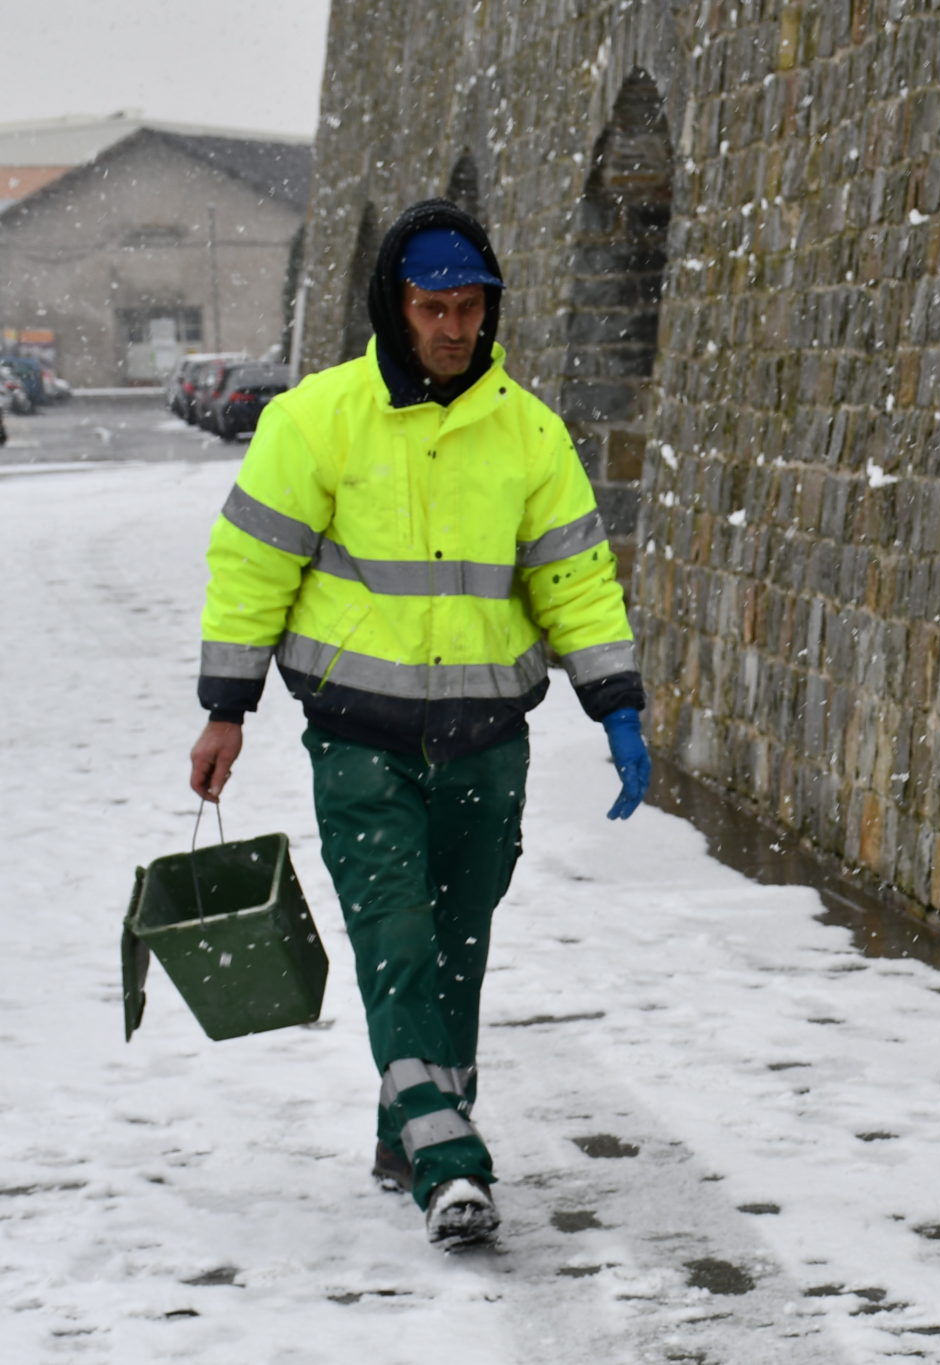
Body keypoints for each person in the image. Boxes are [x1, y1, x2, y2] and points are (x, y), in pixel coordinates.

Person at [187, 199, 652, 1248]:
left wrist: (616, 703)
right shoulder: (317, 420)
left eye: (471, 308)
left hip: (486, 742)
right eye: (434, 308)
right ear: (394, 307)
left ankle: (408, 1130)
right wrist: (226, 708)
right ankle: (450, 1165)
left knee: (454, 951)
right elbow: (251, 566)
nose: (454, 328)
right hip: (361, 739)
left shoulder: (530, 434)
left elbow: (577, 582)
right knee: (397, 941)